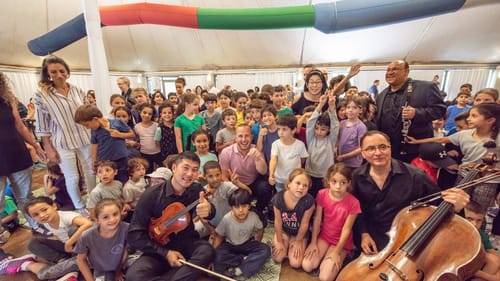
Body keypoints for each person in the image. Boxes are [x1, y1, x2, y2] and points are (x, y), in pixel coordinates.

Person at [352, 130, 470, 255]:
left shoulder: (416, 176)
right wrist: (364, 234)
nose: (378, 153)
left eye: (382, 147)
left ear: (390, 148)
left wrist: (455, 205)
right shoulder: (356, 177)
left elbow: (439, 204)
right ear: (363, 153)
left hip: (407, 238)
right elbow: (358, 211)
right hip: (372, 237)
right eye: (370, 149)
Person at [126, 151, 215, 281]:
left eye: (195, 170)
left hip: (187, 243)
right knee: (134, 275)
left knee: (207, 251)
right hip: (158, 249)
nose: (190, 174)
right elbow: (134, 235)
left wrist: (209, 210)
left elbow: (211, 211)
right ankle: (182, 275)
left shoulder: (196, 190)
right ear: (174, 168)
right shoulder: (151, 195)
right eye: (185, 168)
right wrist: (165, 253)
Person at [408, 103, 499, 211]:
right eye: (469, 115)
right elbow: (440, 140)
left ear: (490, 120)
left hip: (487, 179)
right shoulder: (465, 134)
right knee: (456, 205)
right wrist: (417, 141)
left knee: (479, 209)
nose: (469, 119)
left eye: (474, 116)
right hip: (464, 174)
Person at [35, 55, 95, 214]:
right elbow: (42, 125)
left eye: (62, 71)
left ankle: (93, 200)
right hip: (62, 141)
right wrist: (48, 147)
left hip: (84, 137)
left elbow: (88, 114)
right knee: (72, 177)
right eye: (54, 72)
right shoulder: (41, 95)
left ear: (67, 72)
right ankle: (79, 207)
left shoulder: (78, 90)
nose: (59, 75)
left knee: (91, 170)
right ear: (47, 74)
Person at [0, 72, 48, 235]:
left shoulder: (8, 100)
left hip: (16, 154)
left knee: (25, 196)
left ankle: (36, 225)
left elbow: (20, 126)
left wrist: (36, 146)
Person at [375, 60, 446, 163]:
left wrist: (417, 113)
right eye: (388, 70)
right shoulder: (381, 95)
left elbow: (440, 110)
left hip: (414, 149)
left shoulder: (425, 87)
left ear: (406, 72)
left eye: (395, 69)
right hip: (390, 150)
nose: (390, 72)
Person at [302, 163, 361, 281]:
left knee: (325, 277)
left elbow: (347, 229)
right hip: (324, 237)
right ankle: (324, 259)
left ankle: (342, 256)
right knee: (307, 265)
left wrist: (337, 251)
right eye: (334, 181)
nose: (338, 186)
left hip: (341, 243)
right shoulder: (322, 194)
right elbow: (317, 219)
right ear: (328, 181)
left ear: (349, 183)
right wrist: (313, 242)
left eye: (342, 182)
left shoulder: (354, 202)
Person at [213, 189, 270, 279]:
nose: (241, 210)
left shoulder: (253, 217)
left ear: (249, 206)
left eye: (244, 206)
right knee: (218, 256)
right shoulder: (226, 219)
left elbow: (260, 228)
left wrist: (258, 240)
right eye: (236, 207)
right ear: (231, 207)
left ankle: (239, 270)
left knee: (265, 249)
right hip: (229, 245)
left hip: (246, 243)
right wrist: (213, 252)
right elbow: (219, 236)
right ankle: (244, 259)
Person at [74, 104, 134, 184]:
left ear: (95, 119)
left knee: (123, 181)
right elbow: (94, 145)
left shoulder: (118, 122)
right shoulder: (94, 131)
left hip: (121, 159)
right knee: (108, 183)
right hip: (105, 162)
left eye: (86, 125)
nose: (87, 128)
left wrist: (120, 134)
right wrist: (94, 161)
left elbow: (132, 134)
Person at [219, 124, 272, 213]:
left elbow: (263, 171)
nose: (243, 140)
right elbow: (224, 177)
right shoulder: (226, 152)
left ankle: (258, 211)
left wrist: (258, 159)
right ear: (235, 138)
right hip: (235, 184)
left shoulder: (256, 150)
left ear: (251, 137)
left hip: (253, 182)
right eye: (240, 136)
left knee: (265, 187)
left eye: (246, 136)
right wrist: (235, 185)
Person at [26, 196, 93, 265]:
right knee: (33, 243)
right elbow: (60, 235)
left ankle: (73, 263)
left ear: (54, 206)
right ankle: (62, 260)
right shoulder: (46, 222)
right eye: (36, 215)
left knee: (73, 230)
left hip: (83, 246)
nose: (42, 215)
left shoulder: (66, 216)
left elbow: (88, 224)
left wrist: (69, 243)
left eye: (44, 210)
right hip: (68, 248)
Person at [75, 199, 129, 281]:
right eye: (105, 217)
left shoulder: (126, 228)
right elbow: (81, 260)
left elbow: (125, 252)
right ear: (97, 220)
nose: (112, 219)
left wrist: (118, 272)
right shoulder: (87, 236)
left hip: (117, 266)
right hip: (99, 268)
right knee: (66, 267)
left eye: (115, 214)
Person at [271, 169, 315, 268]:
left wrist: (298, 241)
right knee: (278, 257)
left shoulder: (309, 201)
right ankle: (285, 243)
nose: (301, 187)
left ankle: (295, 243)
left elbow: (304, 224)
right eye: (298, 183)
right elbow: (278, 221)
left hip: (299, 234)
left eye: (305, 185)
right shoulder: (278, 198)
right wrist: (279, 240)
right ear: (289, 184)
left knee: (295, 263)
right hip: (284, 231)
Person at [305, 92, 339, 198]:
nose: (319, 132)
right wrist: (320, 105)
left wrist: (332, 108)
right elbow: (310, 123)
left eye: (323, 129)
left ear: (328, 130)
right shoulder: (311, 138)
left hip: (325, 175)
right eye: (317, 128)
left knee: (324, 198)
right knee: (310, 197)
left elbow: (335, 126)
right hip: (310, 173)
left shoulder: (330, 140)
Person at [268, 114, 309, 192]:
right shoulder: (275, 144)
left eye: (284, 129)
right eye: (279, 129)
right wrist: (271, 174)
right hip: (280, 179)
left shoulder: (300, 145)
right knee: (281, 197)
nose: (280, 132)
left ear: (293, 130)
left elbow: (303, 159)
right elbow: (273, 159)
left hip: (295, 180)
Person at [464, 201, 500, 281]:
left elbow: (493, 253)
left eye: (479, 220)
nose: (474, 224)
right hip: (460, 260)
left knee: (495, 260)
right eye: (470, 219)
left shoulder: (480, 234)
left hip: (474, 263)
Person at [336, 95, 367, 169]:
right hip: (341, 161)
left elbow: (361, 148)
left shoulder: (361, 127)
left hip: (353, 163)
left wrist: (344, 156)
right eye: (348, 107)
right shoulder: (342, 123)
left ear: (360, 110)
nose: (350, 110)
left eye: (354, 108)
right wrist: (335, 148)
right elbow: (338, 140)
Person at [134, 103, 162, 174]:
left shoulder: (156, 125)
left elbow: (159, 138)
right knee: (148, 172)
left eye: (149, 114)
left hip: (158, 152)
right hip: (144, 153)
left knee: (161, 170)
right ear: (140, 112)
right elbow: (136, 139)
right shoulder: (137, 127)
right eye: (144, 112)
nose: (146, 115)